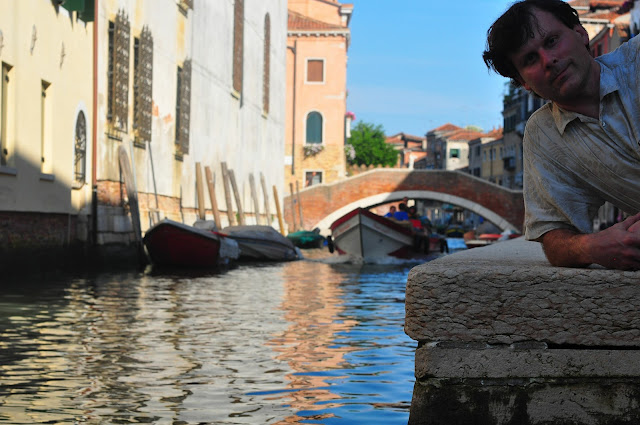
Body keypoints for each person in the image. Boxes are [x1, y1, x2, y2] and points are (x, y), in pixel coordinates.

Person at [483, 0, 640, 270]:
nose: (548, 61)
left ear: (581, 34)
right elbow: (554, 237)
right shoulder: (543, 137)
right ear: (524, 83)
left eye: (552, 41)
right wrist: (592, 246)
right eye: (530, 59)